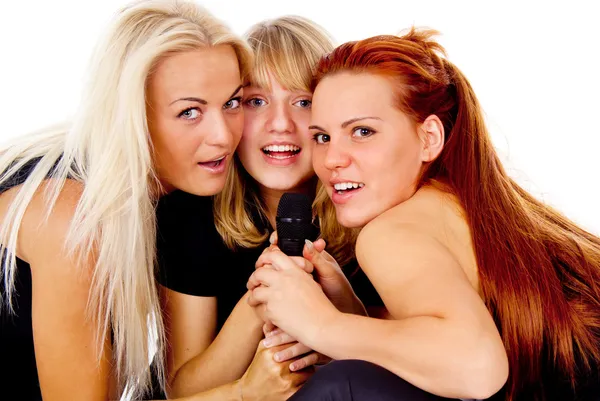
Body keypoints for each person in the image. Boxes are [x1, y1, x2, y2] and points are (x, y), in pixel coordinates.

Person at [248, 28, 600, 401]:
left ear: (429, 137)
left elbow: (478, 368)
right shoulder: (460, 202)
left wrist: (323, 324)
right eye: (322, 137)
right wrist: (351, 313)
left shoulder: (390, 232)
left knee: (336, 384)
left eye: (362, 131)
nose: (332, 159)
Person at [0, 1, 254, 399]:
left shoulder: (182, 190)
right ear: (131, 115)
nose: (223, 135)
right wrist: (248, 392)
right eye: (189, 112)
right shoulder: (72, 216)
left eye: (233, 102)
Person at [156, 15, 383, 400]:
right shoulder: (190, 215)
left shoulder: (376, 212)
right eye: (255, 101)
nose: (280, 124)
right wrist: (261, 301)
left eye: (303, 102)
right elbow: (179, 390)